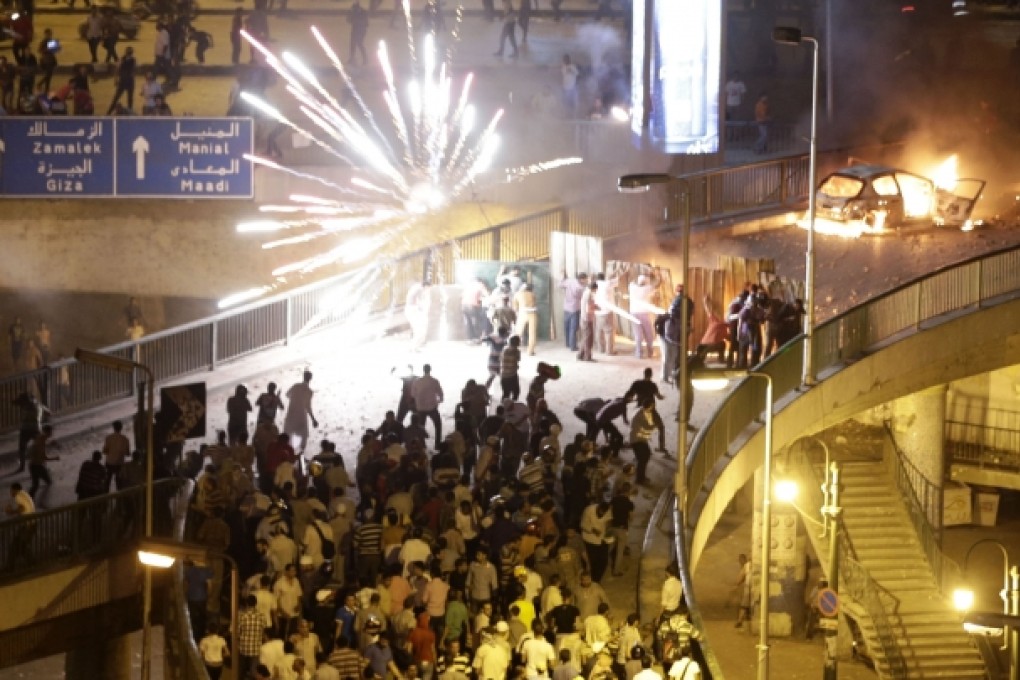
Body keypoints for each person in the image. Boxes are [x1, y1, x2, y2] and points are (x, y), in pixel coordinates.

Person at [284, 370, 319, 454]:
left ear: (303, 376)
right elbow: (308, 407)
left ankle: (289, 455)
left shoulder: (295, 386)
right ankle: (300, 456)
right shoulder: (309, 391)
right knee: (303, 438)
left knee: (289, 437)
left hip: (291, 415)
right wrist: (313, 419)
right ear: (310, 378)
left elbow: (287, 395)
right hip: (301, 417)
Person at [410, 364, 444, 443]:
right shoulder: (434, 381)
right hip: (432, 407)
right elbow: (440, 394)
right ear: (430, 370)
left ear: (423, 370)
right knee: (438, 425)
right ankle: (437, 443)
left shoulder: (417, 381)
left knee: (421, 427)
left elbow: (413, 394)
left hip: (420, 408)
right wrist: (439, 401)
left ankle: (421, 444)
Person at [628, 274, 657, 360]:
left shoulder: (632, 287)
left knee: (638, 335)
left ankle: (639, 353)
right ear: (645, 282)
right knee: (649, 334)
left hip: (633, 313)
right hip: (644, 313)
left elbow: (632, 280)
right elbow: (656, 283)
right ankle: (650, 352)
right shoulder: (647, 288)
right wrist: (653, 275)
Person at [27, 424, 59, 499]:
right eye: (51, 432)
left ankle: (29, 500)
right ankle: (43, 500)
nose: (52, 434)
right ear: (47, 432)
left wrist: (50, 444)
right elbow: (44, 457)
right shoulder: (41, 442)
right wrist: (55, 458)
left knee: (35, 485)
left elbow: (43, 445)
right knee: (49, 482)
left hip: (32, 465)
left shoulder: (40, 438)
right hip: (38, 466)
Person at [560, 272, 587, 353]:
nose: (586, 281)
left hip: (566, 307)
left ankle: (568, 343)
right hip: (575, 308)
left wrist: (563, 277)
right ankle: (573, 346)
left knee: (567, 327)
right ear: (582, 279)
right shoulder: (581, 287)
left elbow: (560, 285)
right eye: (585, 279)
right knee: (573, 328)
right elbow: (583, 297)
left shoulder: (570, 281)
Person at [107, 46, 136, 114]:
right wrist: (116, 79)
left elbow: (133, 71)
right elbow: (117, 69)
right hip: (124, 80)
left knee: (129, 99)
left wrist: (116, 79)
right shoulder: (122, 59)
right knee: (116, 98)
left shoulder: (132, 60)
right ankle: (108, 113)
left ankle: (130, 113)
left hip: (129, 80)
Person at [513, 282, 539, 356]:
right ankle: (530, 351)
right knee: (532, 333)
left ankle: (514, 348)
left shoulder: (517, 294)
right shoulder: (533, 294)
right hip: (533, 313)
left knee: (518, 332)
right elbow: (535, 303)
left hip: (522, 313)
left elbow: (515, 308)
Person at [348, 0, 369, 66]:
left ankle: (365, 59)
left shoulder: (363, 12)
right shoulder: (353, 12)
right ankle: (352, 58)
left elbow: (366, 23)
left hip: (361, 30)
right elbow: (348, 20)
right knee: (352, 44)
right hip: (354, 29)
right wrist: (352, 17)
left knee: (359, 44)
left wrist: (357, 21)